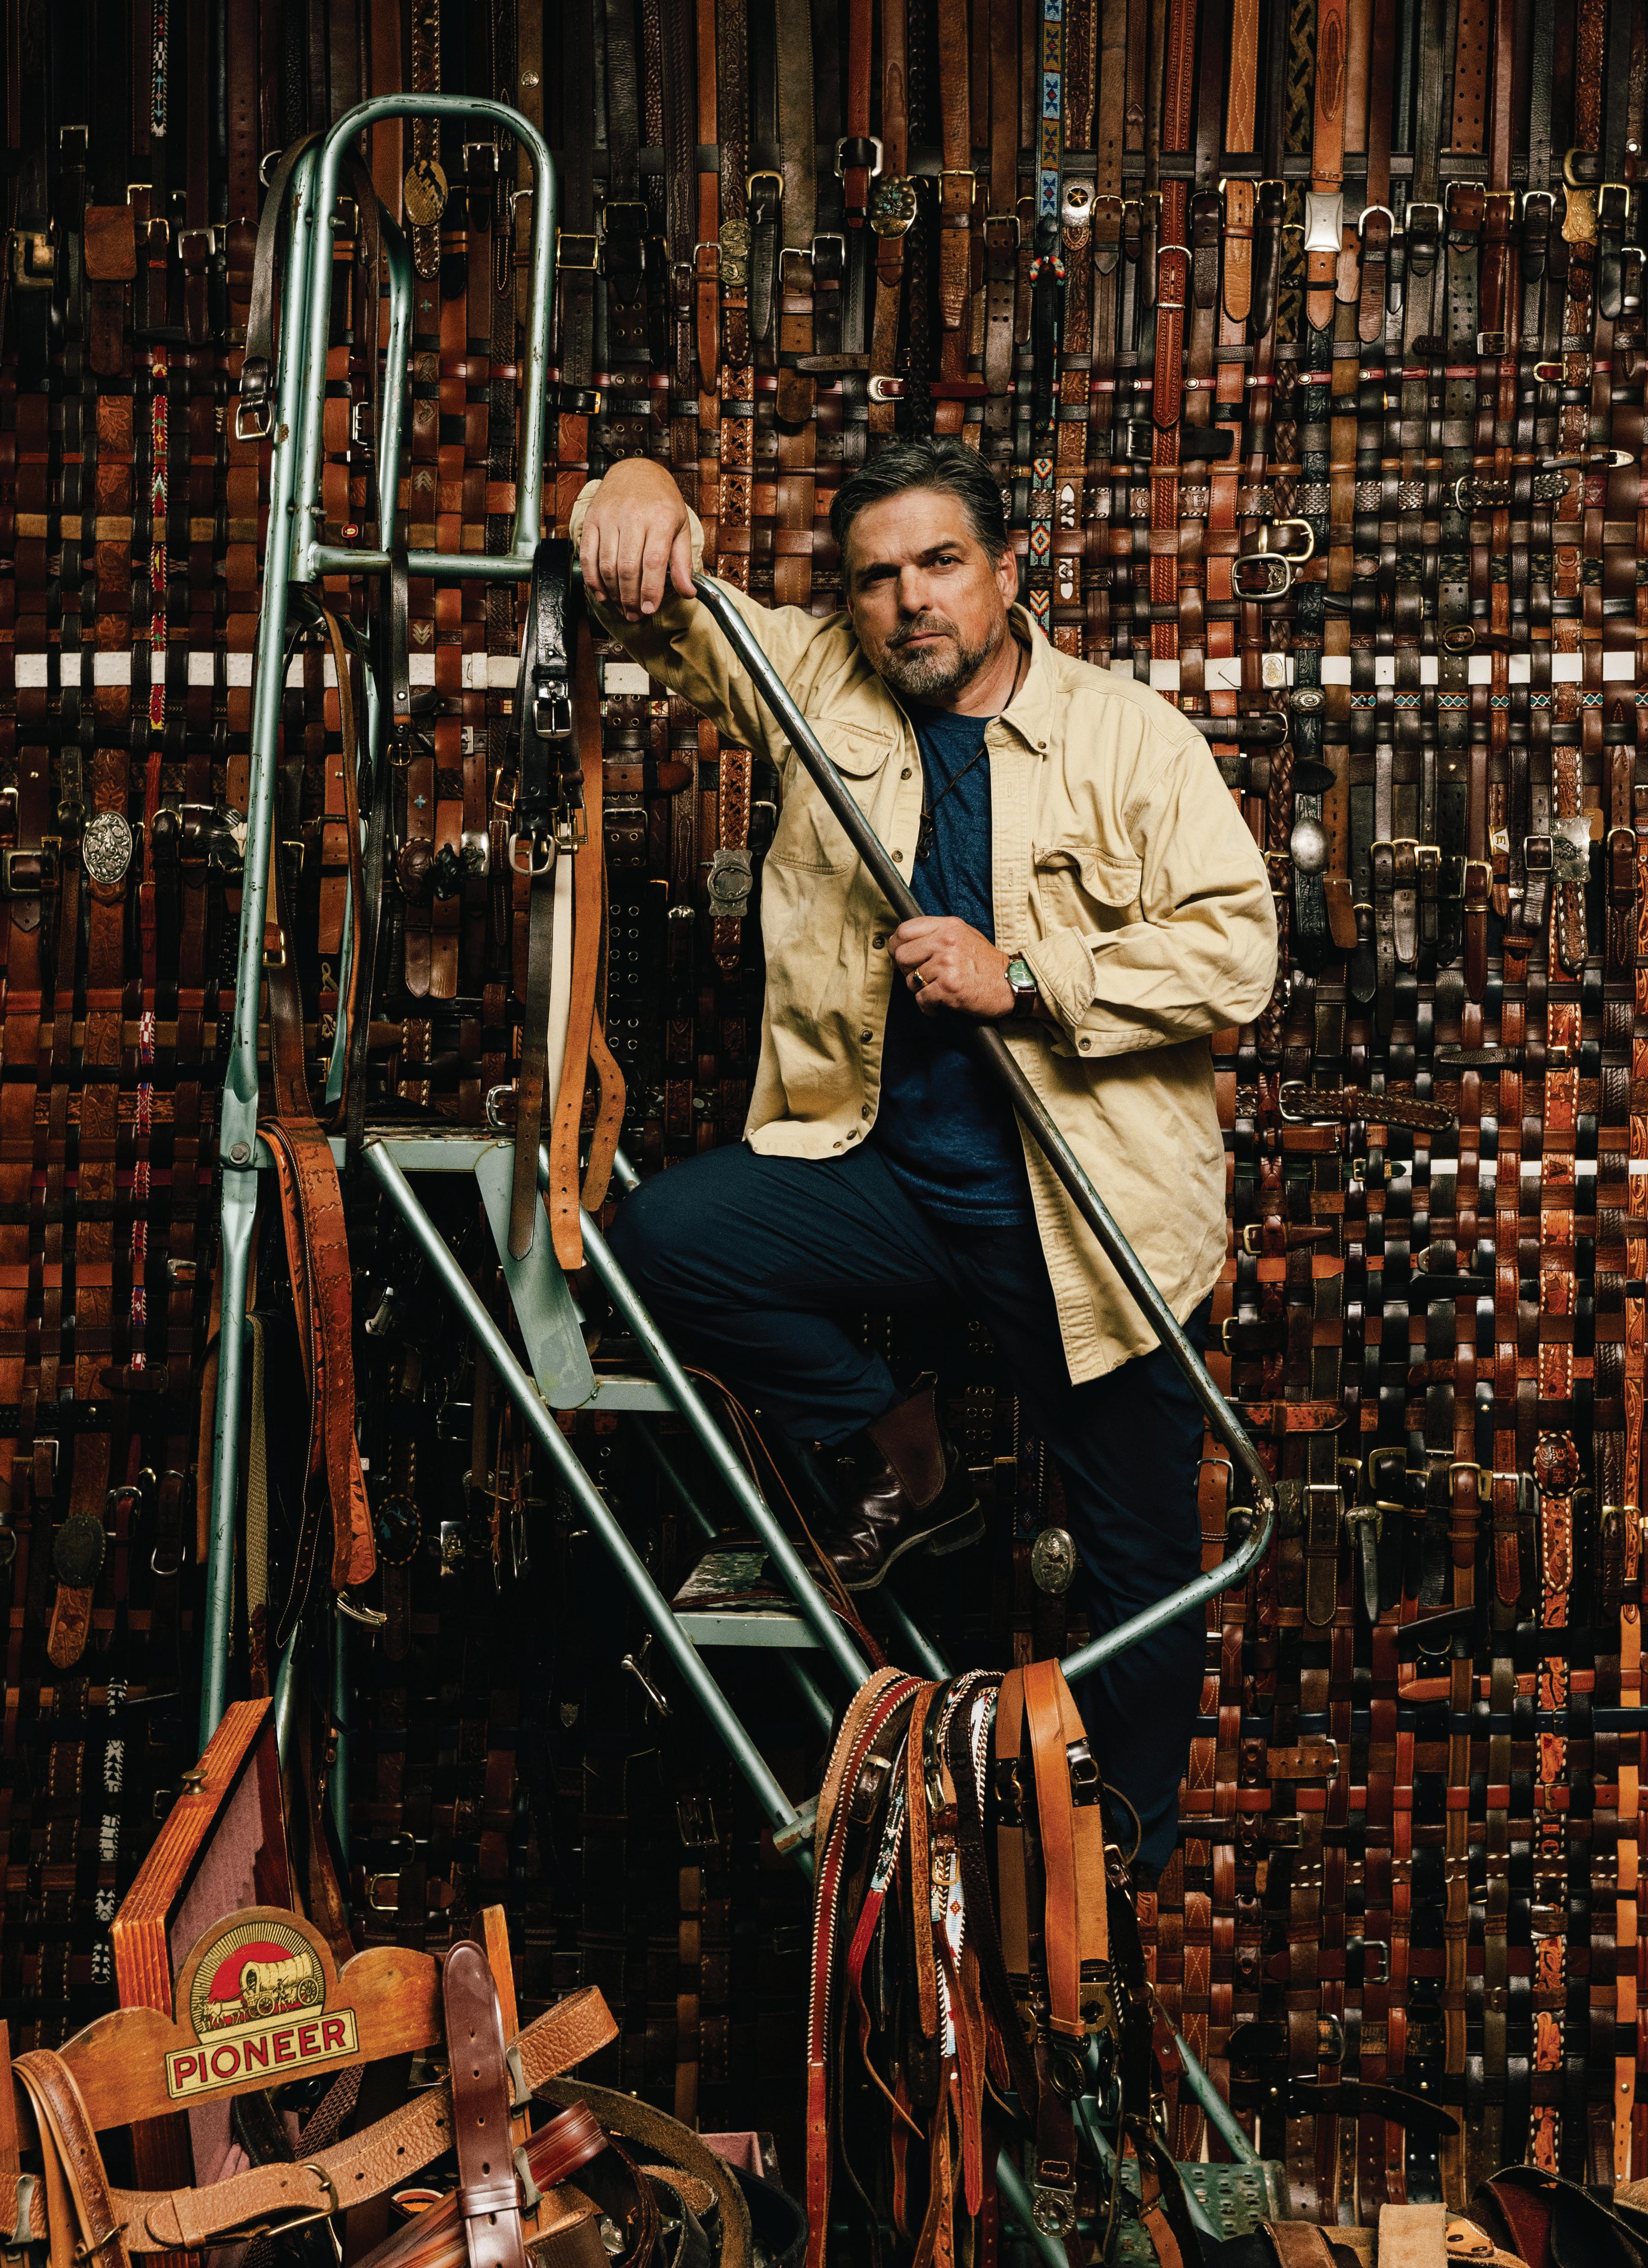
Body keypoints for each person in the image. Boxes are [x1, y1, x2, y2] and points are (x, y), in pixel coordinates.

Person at [568, 438, 1276, 1877]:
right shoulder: (812, 680)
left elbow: (1238, 953)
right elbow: (656, 602)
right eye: (876, 577)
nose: (910, 602)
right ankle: (911, 1457)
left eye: (941, 564)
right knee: (666, 1248)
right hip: (887, 1184)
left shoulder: (1129, 737)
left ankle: (1114, 1878)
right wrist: (632, 484)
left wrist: (1023, 974)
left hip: (1086, 1222)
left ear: (1008, 572)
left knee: (1144, 1571)